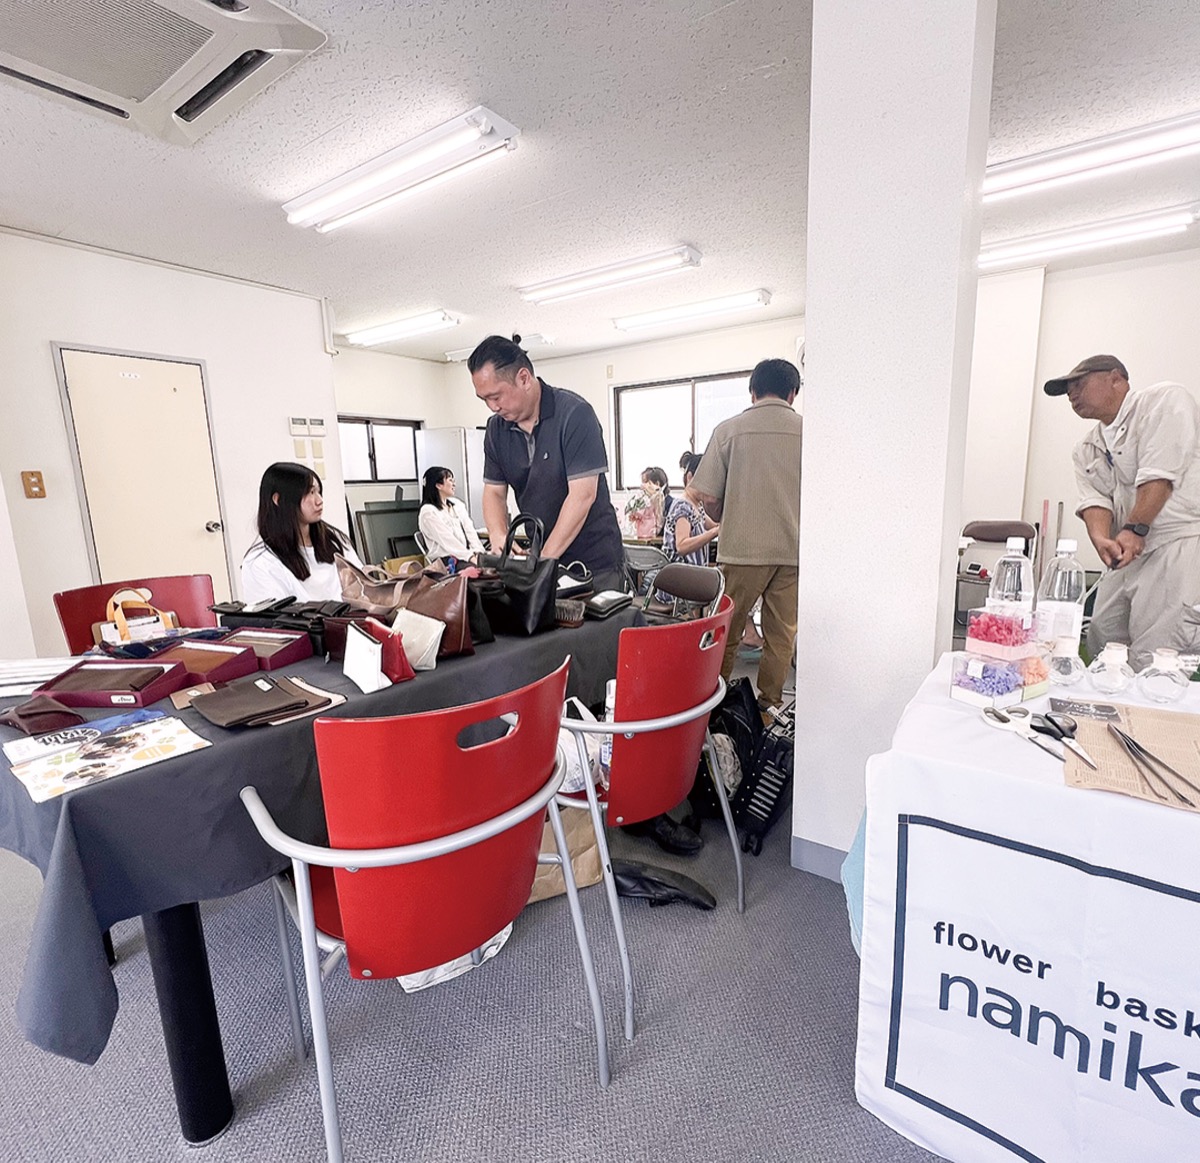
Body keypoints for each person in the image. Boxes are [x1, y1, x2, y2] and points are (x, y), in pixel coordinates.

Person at [1044, 354, 1200, 669]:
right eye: (1068, 391)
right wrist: (1102, 539)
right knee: (1103, 636)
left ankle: (1152, 716)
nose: (1072, 395)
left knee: (1157, 653)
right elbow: (1095, 500)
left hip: (1175, 543)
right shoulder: (1087, 447)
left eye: (1079, 384)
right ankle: (1108, 710)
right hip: (1127, 548)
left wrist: (1136, 528)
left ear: (1117, 379)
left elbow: (1160, 476)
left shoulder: (1164, 402)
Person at [468, 335, 625, 590]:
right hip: (541, 557)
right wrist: (499, 535)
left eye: (496, 396)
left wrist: (541, 564)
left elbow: (582, 497)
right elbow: (494, 493)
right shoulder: (496, 430)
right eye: (484, 399)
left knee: (594, 630)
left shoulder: (574, 415)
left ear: (523, 378)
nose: (492, 407)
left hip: (595, 564)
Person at [692, 358, 802, 715]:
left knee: (727, 631)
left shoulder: (729, 430)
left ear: (752, 391)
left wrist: (726, 514)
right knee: (781, 636)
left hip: (741, 549)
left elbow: (706, 494)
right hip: (793, 550)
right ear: (793, 393)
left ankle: (715, 706)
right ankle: (770, 707)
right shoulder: (811, 433)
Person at [241, 462, 363, 604]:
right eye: (310, 493)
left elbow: (364, 589)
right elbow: (276, 620)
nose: (319, 501)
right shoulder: (260, 563)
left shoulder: (335, 541)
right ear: (278, 500)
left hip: (353, 623)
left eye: (318, 492)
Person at [655, 452, 719, 602]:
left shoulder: (697, 506)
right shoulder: (682, 506)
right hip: (678, 586)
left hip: (689, 581)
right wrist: (715, 532)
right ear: (690, 477)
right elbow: (682, 546)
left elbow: (714, 524)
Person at [418, 466, 485, 563]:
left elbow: (470, 530)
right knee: (482, 574)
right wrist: (470, 557)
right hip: (448, 561)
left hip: (467, 555)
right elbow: (448, 541)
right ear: (438, 485)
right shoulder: (428, 512)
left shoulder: (457, 505)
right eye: (450, 480)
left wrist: (478, 552)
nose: (454, 483)